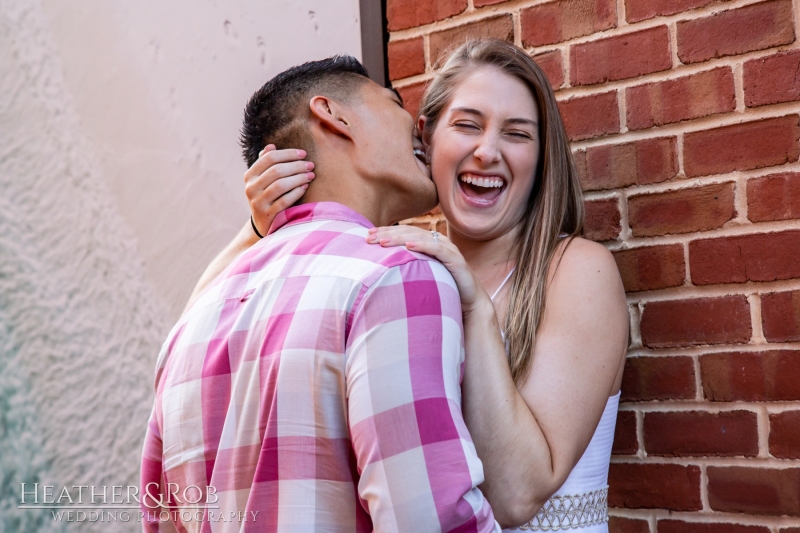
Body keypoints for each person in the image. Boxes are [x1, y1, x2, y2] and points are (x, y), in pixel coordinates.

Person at [189, 39, 629, 531]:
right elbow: (197, 328)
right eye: (467, 125)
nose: (488, 151)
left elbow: (517, 493)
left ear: (541, 158)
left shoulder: (576, 270)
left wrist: (477, 313)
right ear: (426, 139)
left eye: (518, 134)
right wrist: (254, 229)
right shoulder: (402, 267)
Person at [140, 55, 501, 532]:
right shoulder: (397, 277)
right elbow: (429, 519)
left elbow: (161, 518)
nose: (420, 129)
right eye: (395, 103)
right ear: (334, 115)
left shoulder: (189, 328)